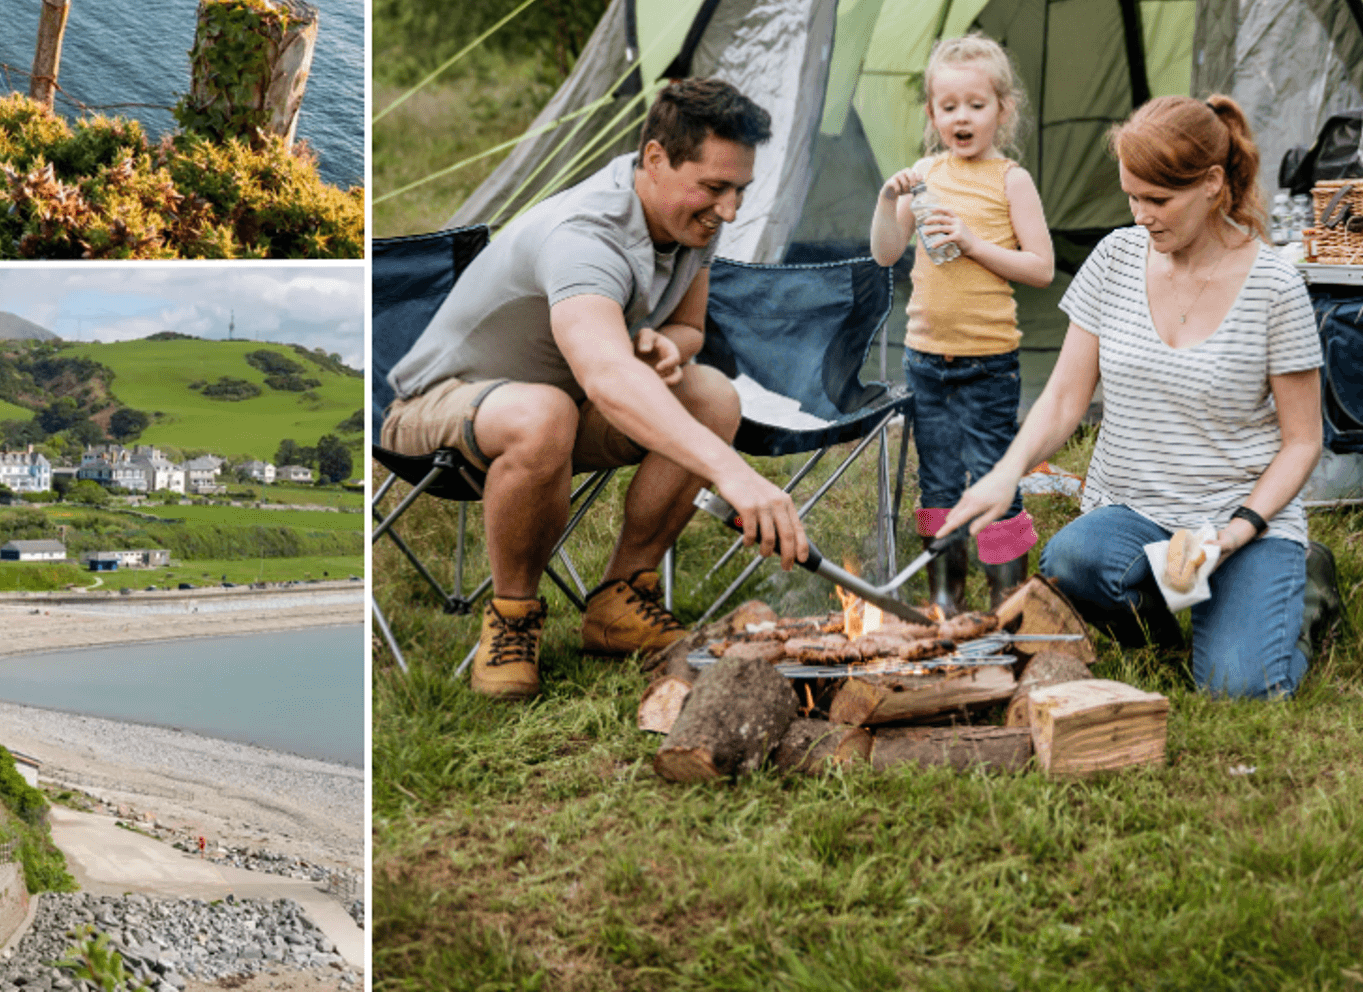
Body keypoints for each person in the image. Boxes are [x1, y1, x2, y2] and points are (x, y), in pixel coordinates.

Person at [381, 77, 808, 700]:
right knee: (544, 412)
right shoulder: (586, 235)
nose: (730, 211)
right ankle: (512, 619)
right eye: (714, 188)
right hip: (440, 404)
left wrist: (672, 345)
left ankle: (620, 599)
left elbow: (688, 326)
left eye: (740, 190)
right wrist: (734, 474)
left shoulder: (688, 222)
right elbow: (608, 381)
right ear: (656, 159)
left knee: (712, 395)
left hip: (561, 405)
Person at [937, 94, 1335, 699]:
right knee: (1072, 561)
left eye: (1157, 200)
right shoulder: (1115, 259)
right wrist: (1005, 473)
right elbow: (1064, 400)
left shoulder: (1275, 284)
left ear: (1210, 184)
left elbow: (1304, 441)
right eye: (1131, 196)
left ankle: (1303, 597)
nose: (1140, 215)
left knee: (1241, 688)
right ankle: (1177, 632)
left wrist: (1235, 533)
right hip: (1139, 518)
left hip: (1241, 520)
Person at [869, 34, 1054, 611]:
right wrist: (884, 202)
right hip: (926, 359)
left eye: (976, 105)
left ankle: (1009, 598)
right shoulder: (923, 176)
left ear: (1004, 109)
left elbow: (1042, 268)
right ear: (932, 114)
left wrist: (973, 243)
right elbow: (883, 253)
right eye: (948, 107)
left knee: (1000, 481)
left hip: (989, 362)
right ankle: (944, 599)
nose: (962, 117)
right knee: (938, 484)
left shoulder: (1011, 181)